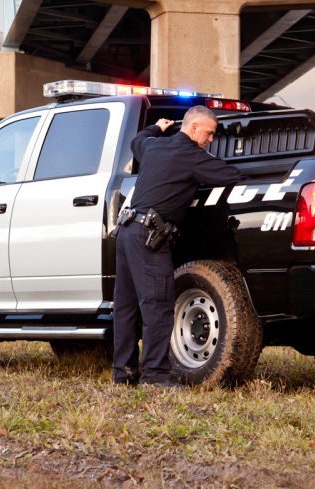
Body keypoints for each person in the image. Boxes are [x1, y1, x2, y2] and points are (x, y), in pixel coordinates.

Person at [112, 105, 247, 389]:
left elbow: (137, 141)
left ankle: (122, 374)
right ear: (194, 127)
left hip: (127, 233)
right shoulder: (192, 156)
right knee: (158, 307)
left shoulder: (154, 147)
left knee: (126, 308)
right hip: (150, 236)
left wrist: (157, 127)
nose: (210, 140)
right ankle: (155, 376)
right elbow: (230, 175)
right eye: (208, 133)